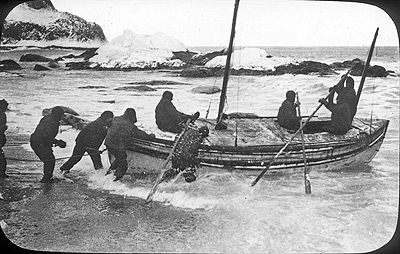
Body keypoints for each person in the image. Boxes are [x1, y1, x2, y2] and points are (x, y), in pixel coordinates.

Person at [104, 108, 155, 181]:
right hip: (118, 147)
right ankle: (114, 181)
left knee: (120, 158)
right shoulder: (131, 126)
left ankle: (107, 176)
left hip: (108, 143)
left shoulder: (115, 119)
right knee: (123, 165)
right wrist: (151, 136)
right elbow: (142, 135)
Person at [30, 106, 67, 183]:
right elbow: (47, 136)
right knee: (50, 160)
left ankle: (47, 177)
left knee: (49, 159)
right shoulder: (53, 122)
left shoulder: (47, 118)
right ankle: (46, 179)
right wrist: (58, 142)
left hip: (36, 140)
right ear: (57, 114)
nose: (62, 117)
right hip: (39, 142)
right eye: (61, 115)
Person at [0, 99, 9, 178]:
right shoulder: (2, 115)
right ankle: (1, 173)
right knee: (2, 160)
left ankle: (2, 173)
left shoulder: (3, 115)